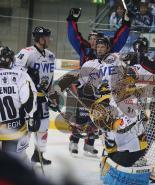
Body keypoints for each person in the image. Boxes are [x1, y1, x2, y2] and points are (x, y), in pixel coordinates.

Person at [66, 8, 131, 155]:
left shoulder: (110, 53)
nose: (93, 42)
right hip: (86, 90)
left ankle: (89, 144)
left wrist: (126, 23)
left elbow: (120, 39)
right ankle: (74, 141)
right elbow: (73, 37)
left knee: (96, 121)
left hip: (101, 92)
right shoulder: (85, 51)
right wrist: (72, 20)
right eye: (91, 38)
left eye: (96, 39)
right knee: (81, 118)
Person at [14, 26, 58, 165]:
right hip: (29, 98)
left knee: (43, 127)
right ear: (40, 38)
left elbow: (50, 78)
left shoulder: (50, 55)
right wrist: (28, 76)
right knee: (28, 127)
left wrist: (52, 96)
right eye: (47, 37)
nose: (49, 39)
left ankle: (38, 154)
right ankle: (20, 156)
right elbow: (16, 73)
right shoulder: (26, 53)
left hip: (43, 98)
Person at [0, 46, 37, 162]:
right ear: (11, 61)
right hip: (15, 129)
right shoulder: (21, 75)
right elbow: (28, 103)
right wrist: (32, 118)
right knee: (17, 167)